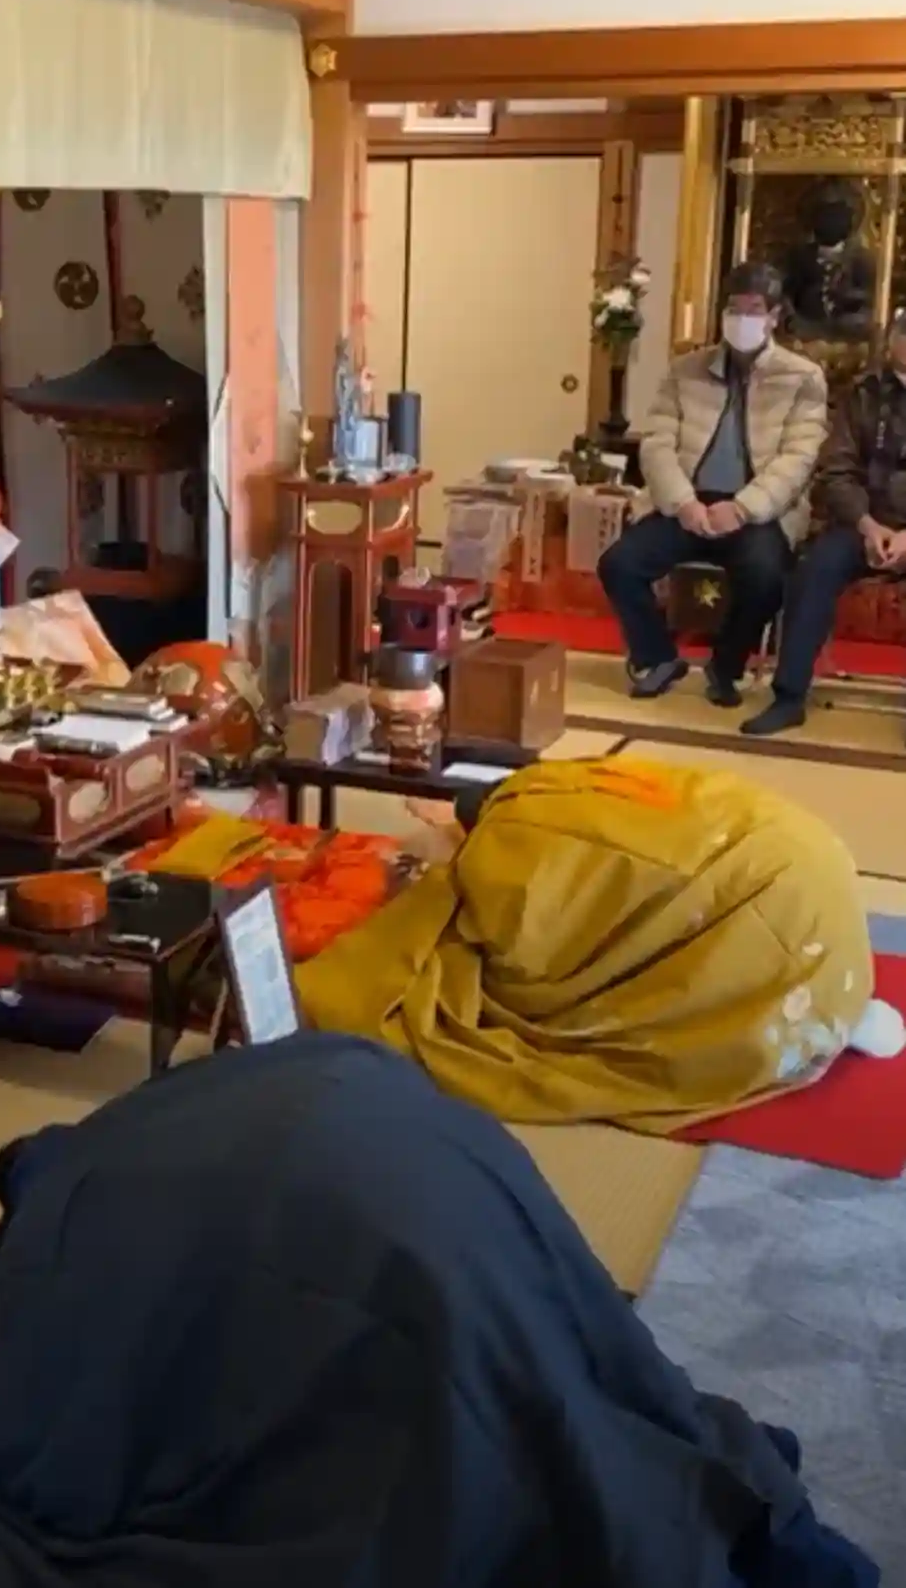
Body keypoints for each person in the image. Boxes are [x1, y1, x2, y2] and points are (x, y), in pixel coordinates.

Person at [0, 1033, 879, 1588]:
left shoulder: (80, 1280)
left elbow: (55, 1448)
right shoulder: (118, 1145)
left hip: (391, 1230)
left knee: (476, 1462)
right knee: (563, 1383)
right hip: (440, 1171)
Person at [295, 756, 903, 1132]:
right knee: (695, 908)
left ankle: (822, 1009)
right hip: (810, 867)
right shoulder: (544, 785)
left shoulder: (504, 853)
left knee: (501, 997)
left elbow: (530, 958)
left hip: (777, 917)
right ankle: (839, 1000)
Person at [598, 262, 828, 704]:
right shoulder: (686, 370)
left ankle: (726, 666)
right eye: (733, 309)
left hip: (757, 511)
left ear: (774, 316)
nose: (742, 319)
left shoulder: (801, 377)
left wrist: (742, 508)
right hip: (688, 504)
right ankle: (656, 656)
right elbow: (657, 444)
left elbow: (799, 458)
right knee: (619, 565)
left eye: (754, 310)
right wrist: (683, 503)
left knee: (766, 577)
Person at [744, 310, 906, 736]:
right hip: (863, 524)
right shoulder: (863, 394)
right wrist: (867, 525)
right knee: (814, 569)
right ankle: (789, 696)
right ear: (891, 340)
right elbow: (837, 470)